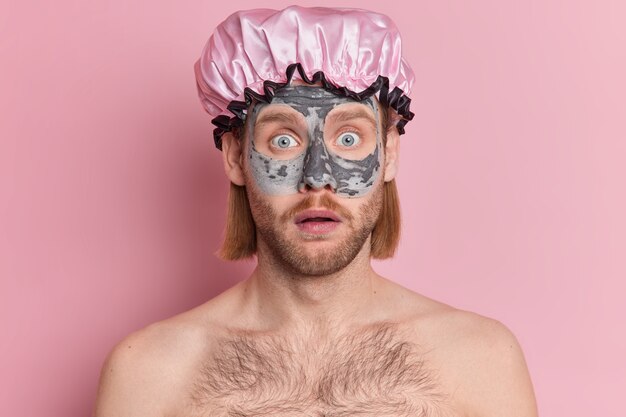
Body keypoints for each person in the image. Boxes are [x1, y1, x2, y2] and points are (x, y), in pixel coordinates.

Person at [94, 6, 538, 416]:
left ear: (389, 154)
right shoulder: (149, 375)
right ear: (234, 157)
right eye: (283, 140)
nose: (317, 178)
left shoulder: (480, 361)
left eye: (348, 138)